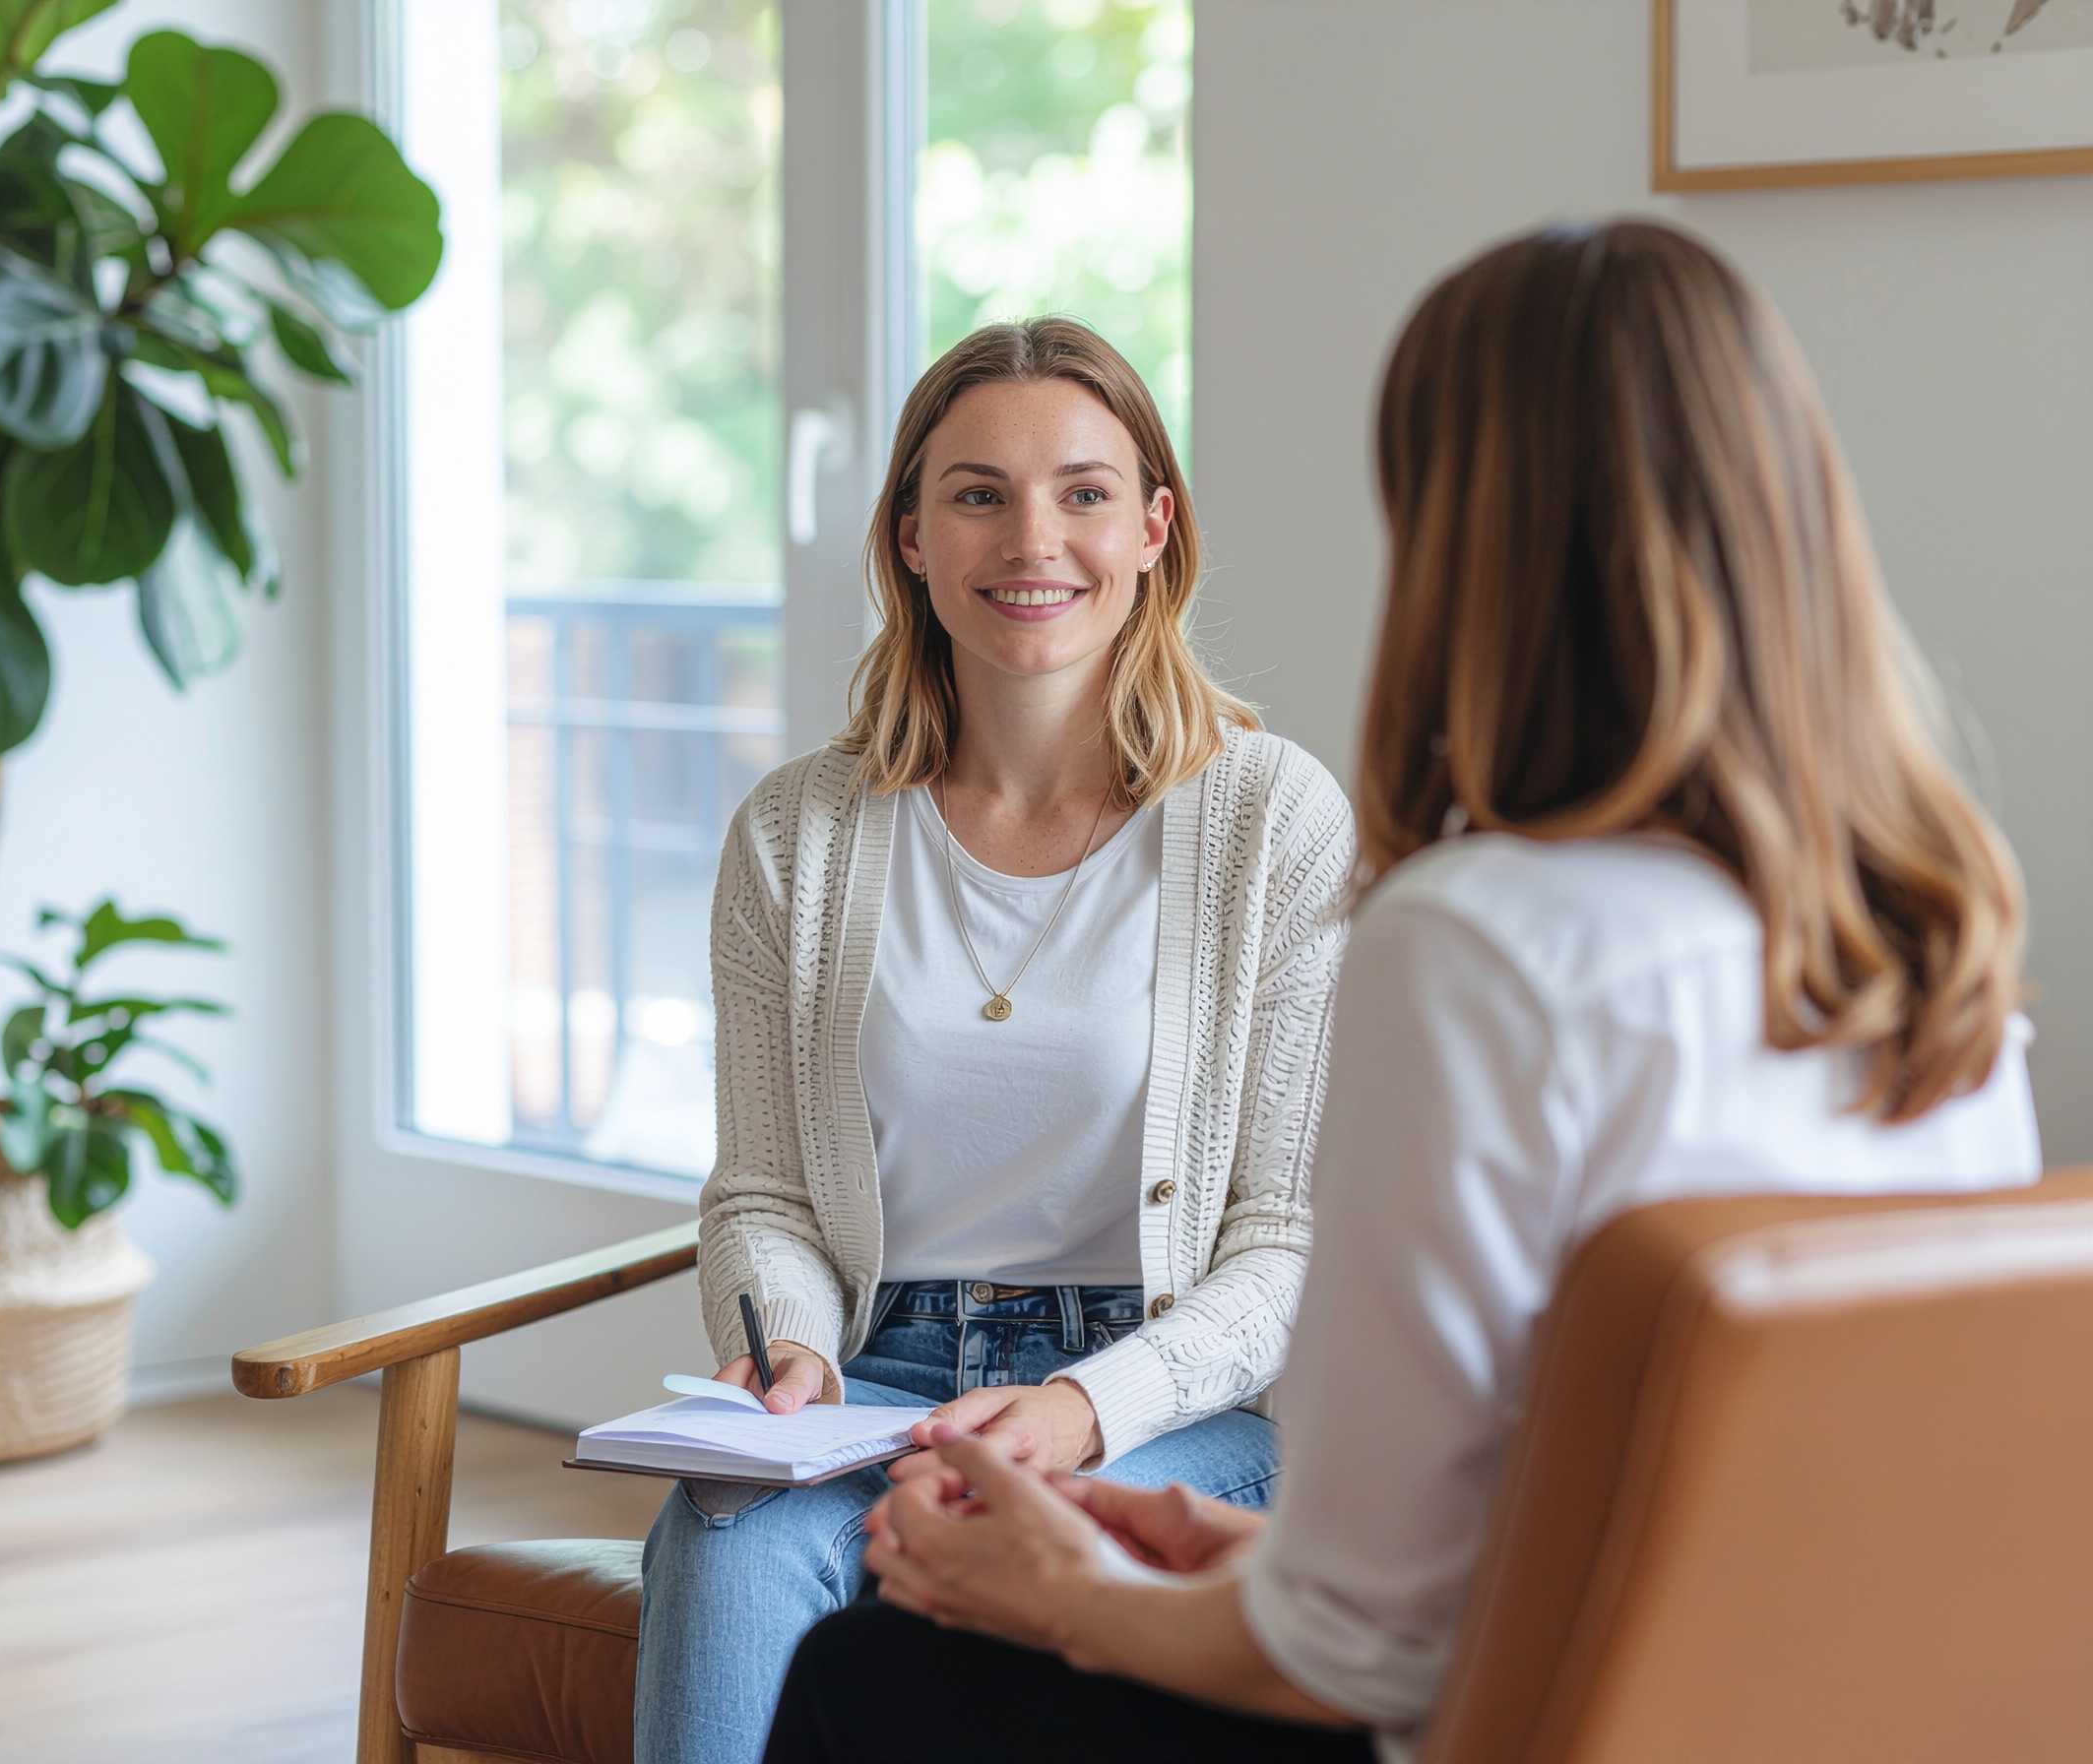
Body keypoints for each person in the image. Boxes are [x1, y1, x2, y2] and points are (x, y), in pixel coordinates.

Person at [762, 220, 2043, 1764]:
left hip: (1533, 1723)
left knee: (865, 1681)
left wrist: (1065, 1595)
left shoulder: (1479, 943)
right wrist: (1238, 1559)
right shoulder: (1928, 932)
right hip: (1841, 1710)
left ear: (1473, 538)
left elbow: (1353, 1654)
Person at [634, 317, 1356, 1763]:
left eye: (1083, 491)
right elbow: (764, 1196)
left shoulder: (1272, 819)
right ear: (909, 533)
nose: (1033, 537)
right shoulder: (795, 833)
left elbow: (1280, 1241)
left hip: (1162, 1398)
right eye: (977, 493)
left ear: (1155, 527)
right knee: (722, 1539)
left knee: (927, 1635)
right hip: (872, 1378)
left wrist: (1087, 1410)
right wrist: (786, 1354)